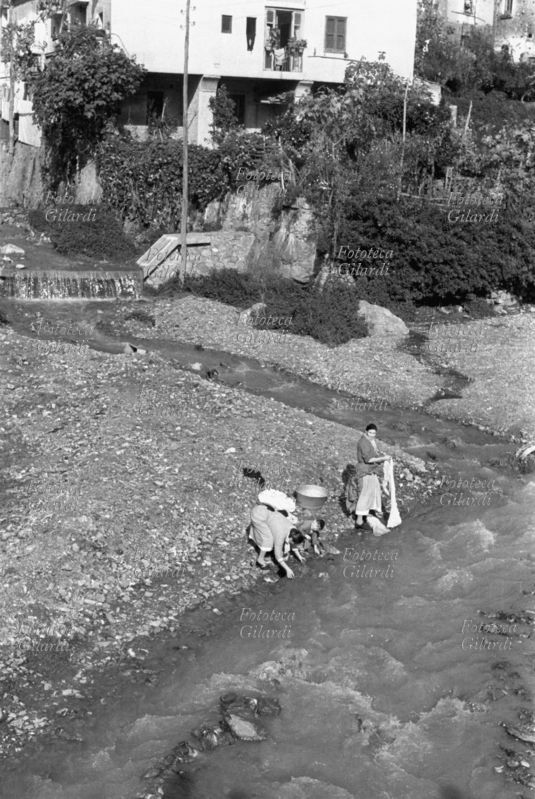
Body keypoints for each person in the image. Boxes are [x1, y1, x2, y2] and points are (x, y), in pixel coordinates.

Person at [248, 489, 300, 579]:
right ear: (291, 537)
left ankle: (257, 542)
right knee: (269, 540)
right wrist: (287, 569)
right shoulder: (280, 535)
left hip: (263, 510)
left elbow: (294, 538)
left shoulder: (291, 528)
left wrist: (299, 555)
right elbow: (278, 555)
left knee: (267, 534)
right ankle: (260, 559)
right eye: (292, 542)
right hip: (258, 515)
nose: (291, 544)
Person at [350, 423, 391, 528]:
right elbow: (368, 459)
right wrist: (383, 459)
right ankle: (359, 521)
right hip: (364, 471)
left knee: (373, 492)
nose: (372, 435)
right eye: (370, 432)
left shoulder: (370, 441)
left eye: (374, 433)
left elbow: (374, 454)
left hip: (371, 471)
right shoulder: (363, 442)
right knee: (364, 495)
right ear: (366, 431)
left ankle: (367, 515)